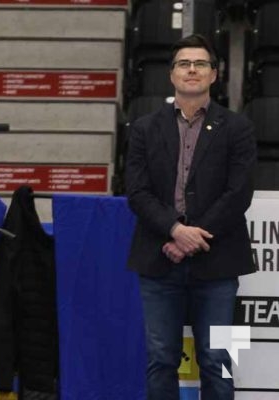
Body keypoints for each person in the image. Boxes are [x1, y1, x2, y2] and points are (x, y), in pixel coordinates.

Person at [125, 34, 257, 400]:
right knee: (161, 359)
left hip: (220, 264)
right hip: (158, 260)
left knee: (220, 359)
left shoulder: (239, 127)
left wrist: (191, 237)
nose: (192, 70)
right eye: (184, 63)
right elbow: (136, 192)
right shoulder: (143, 128)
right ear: (171, 75)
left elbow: (239, 193)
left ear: (214, 74)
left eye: (201, 63)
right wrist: (173, 229)